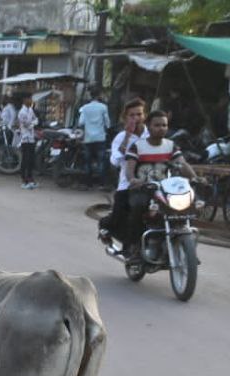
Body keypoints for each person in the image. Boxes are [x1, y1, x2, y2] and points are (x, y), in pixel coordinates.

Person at [124, 110, 196, 258]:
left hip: (165, 190)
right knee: (138, 207)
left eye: (164, 125)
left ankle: (187, 249)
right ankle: (133, 245)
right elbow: (129, 169)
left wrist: (195, 177)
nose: (161, 128)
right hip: (143, 190)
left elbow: (182, 164)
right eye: (157, 125)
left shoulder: (170, 146)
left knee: (187, 207)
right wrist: (133, 179)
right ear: (148, 127)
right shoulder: (137, 146)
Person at [101, 97, 147, 243]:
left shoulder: (151, 134)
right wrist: (127, 137)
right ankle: (105, 226)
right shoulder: (120, 137)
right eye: (132, 115)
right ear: (125, 118)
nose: (136, 119)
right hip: (128, 184)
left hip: (151, 182)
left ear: (144, 115)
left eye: (139, 114)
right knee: (120, 217)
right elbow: (114, 161)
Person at [76, 86, 110, 188]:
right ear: (99, 95)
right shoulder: (103, 107)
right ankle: (101, 184)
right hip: (100, 138)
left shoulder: (85, 108)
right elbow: (107, 123)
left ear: (90, 96)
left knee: (87, 161)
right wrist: (106, 128)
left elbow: (81, 122)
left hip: (88, 138)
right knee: (101, 161)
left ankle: (88, 184)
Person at [17, 93, 39, 189]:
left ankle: (30, 178)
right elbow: (26, 124)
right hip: (25, 138)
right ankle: (24, 179)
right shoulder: (22, 112)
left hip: (31, 138)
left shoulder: (30, 110)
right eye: (29, 99)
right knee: (25, 159)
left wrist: (33, 123)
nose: (31, 101)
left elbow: (35, 120)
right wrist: (33, 123)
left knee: (31, 160)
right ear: (25, 100)